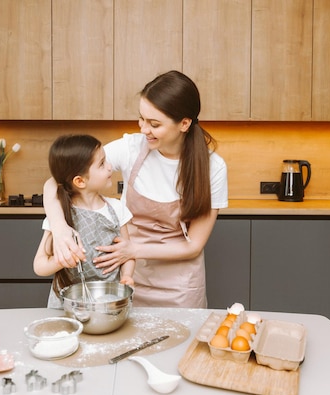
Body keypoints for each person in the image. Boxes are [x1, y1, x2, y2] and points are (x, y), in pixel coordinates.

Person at [43, 70, 228, 308]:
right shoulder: (131, 148)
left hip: (180, 285)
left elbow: (193, 246)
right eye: (141, 119)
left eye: (154, 124)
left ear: (184, 124)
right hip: (128, 275)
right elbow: (57, 180)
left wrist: (133, 249)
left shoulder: (212, 168)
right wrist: (59, 229)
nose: (143, 129)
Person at [34, 134, 135, 308]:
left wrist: (127, 275)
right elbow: (39, 266)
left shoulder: (117, 209)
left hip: (108, 300)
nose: (110, 167)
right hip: (66, 304)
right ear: (80, 181)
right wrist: (61, 260)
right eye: (102, 164)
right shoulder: (60, 215)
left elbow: (128, 254)